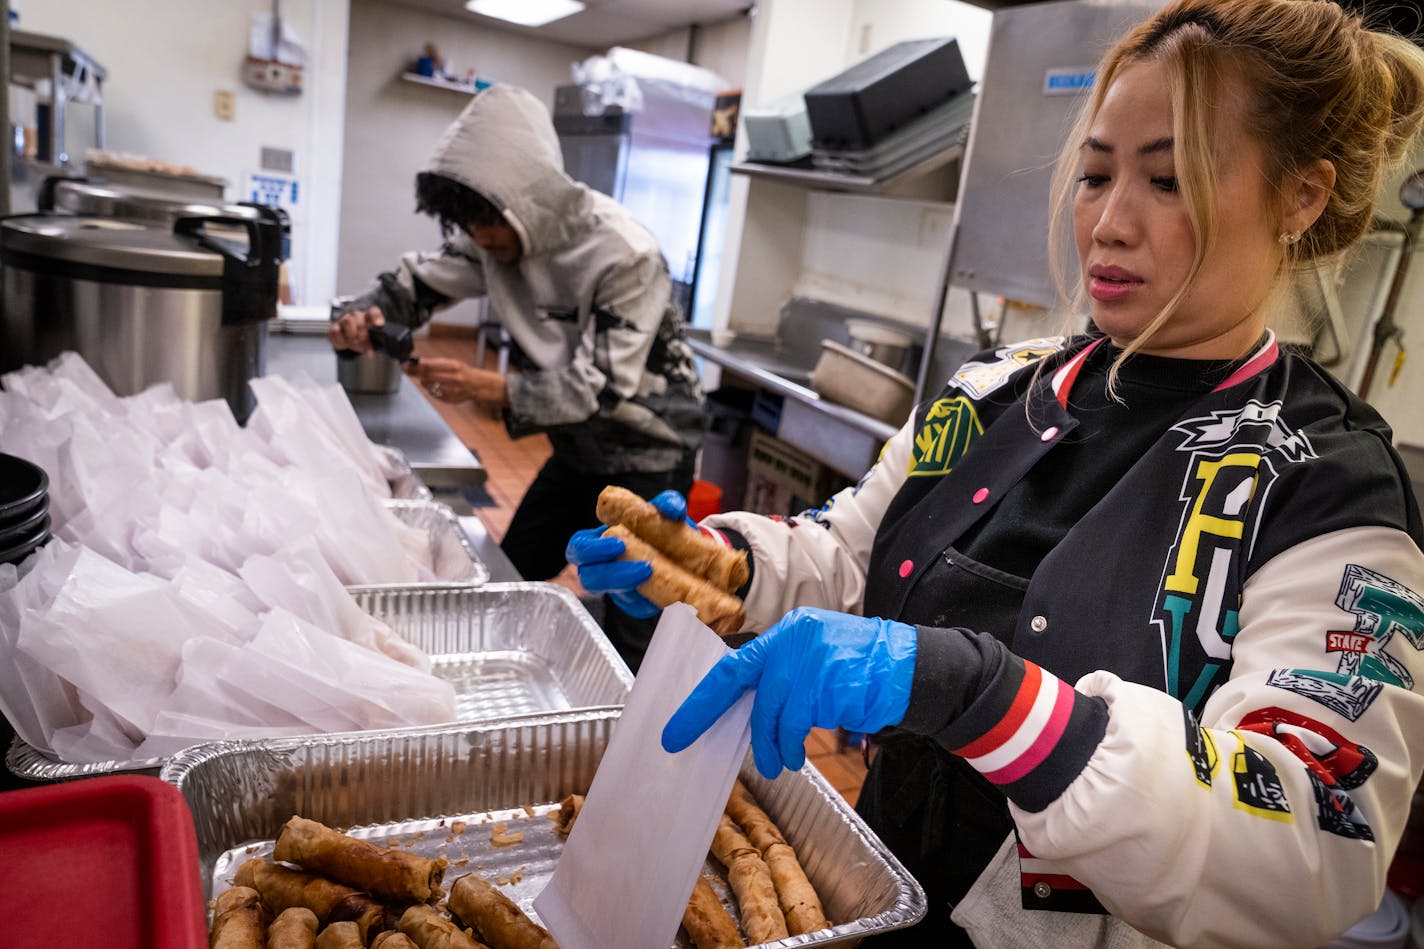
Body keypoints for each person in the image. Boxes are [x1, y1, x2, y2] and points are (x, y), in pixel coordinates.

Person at [567, 1, 1424, 945]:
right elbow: (852, 557)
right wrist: (719, 564)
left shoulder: (1330, 491)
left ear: (1301, 196)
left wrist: (985, 696)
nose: (1109, 222)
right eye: (1096, 174)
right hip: (881, 891)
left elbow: (1319, 843)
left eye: (1170, 181)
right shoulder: (999, 390)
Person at [331, 85, 707, 670]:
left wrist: (492, 388)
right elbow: (414, 287)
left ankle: (640, 741)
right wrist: (361, 318)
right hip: (577, 452)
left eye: (489, 222)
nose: (482, 239)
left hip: (649, 454)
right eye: (468, 224)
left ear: (528, 200)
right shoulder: (488, 241)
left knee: (641, 625)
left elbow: (604, 386)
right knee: (507, 580)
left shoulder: (622, 253)